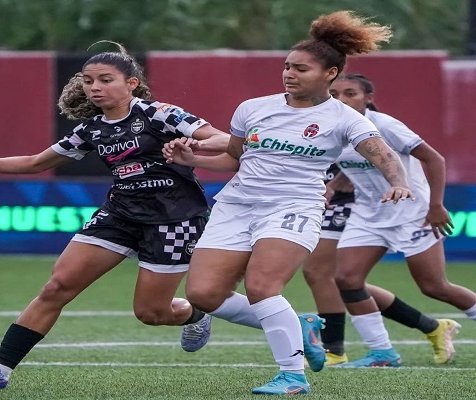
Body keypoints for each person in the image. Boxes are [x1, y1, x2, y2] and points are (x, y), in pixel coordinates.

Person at [0, 42, 232, 390]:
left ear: (131, 83)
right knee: (57, 286)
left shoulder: (160, 114)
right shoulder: (91, 130)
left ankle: (195, 315)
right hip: (119, 215)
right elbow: (35, 162)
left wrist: (193, 148)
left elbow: (222, 139)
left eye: (105, 80)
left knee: (152, 313)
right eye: (89, 81)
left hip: (175, 220)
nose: (95, 88)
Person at [163, 10, 412, 396]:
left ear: (330, 74)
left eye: (300, 69)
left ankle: (292, 376)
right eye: (286, 67)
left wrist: (399, 183)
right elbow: (234, 157)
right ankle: (302, 325)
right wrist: (192, 159)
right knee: (203, 295)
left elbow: (384, 155)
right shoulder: (253, 108)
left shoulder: (345, 118)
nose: (289, 74)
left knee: (263, 286)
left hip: (294, 207)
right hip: (238, 205)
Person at [326, 73, 475, 368]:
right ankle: (382, 353)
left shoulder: (384, 126)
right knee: (346, 279)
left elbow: (435, 160)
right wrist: (335, 184)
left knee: (434, 287)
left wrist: (435, 206)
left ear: (368, 98)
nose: (342, 99)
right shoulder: (330, 128)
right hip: (368, 214)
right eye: (335, 93)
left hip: (412, 213)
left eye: (350, 93)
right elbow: (358, 164)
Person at [303, 159, 460, 366]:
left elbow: (374, 142)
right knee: (345, 281)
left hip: (348, 198)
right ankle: (432, 327)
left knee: (322, 273)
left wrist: (344, 174)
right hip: (319, 188)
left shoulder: (372, 127)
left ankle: (334, 350)